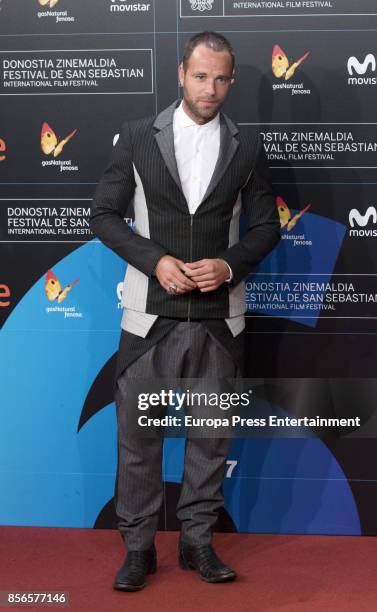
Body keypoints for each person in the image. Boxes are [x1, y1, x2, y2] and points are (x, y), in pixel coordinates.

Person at [90, 31, 280, 591]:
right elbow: (103, 214)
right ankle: (139, 548)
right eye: (201, 76)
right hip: (150, 315)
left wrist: (228, 265)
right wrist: (155, 261)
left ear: (232, 82)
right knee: (139, 437)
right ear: (181, 73)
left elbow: (267, 226)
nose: (211, 89)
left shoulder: (246, 146)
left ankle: (197, 541)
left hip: (220, 316)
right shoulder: (136, 138)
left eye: (221, 79)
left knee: (211, 436)